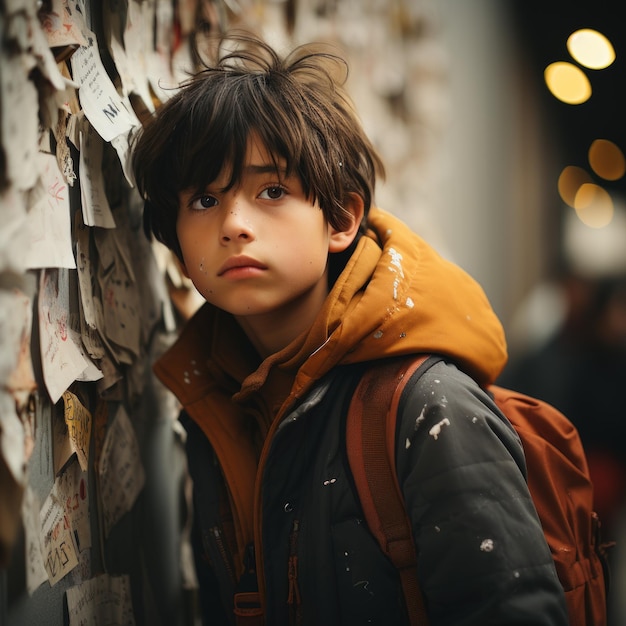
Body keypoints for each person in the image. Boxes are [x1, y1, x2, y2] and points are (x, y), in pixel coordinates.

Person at [131, 32, 568, 626]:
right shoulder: (216, 402)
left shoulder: (427, 406)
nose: (234, 224)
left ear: (340, 219)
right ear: (179, 248)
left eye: (272, 190)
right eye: (204, 201)